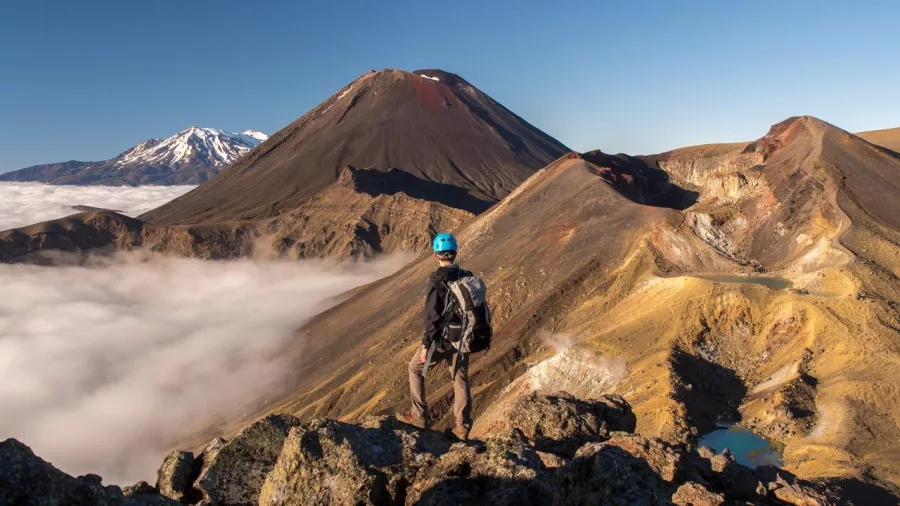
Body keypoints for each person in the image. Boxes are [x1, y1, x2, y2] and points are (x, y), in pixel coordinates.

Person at [397, 233, 473, 440]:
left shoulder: (437, 279)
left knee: (415, 367)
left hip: (444, 338)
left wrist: (426, 344)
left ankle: (419, 416)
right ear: (455, 252)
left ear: (435, 255)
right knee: (460, 378)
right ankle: (462, 428)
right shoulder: (466, 275)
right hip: (464, 336)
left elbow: (432, 315)